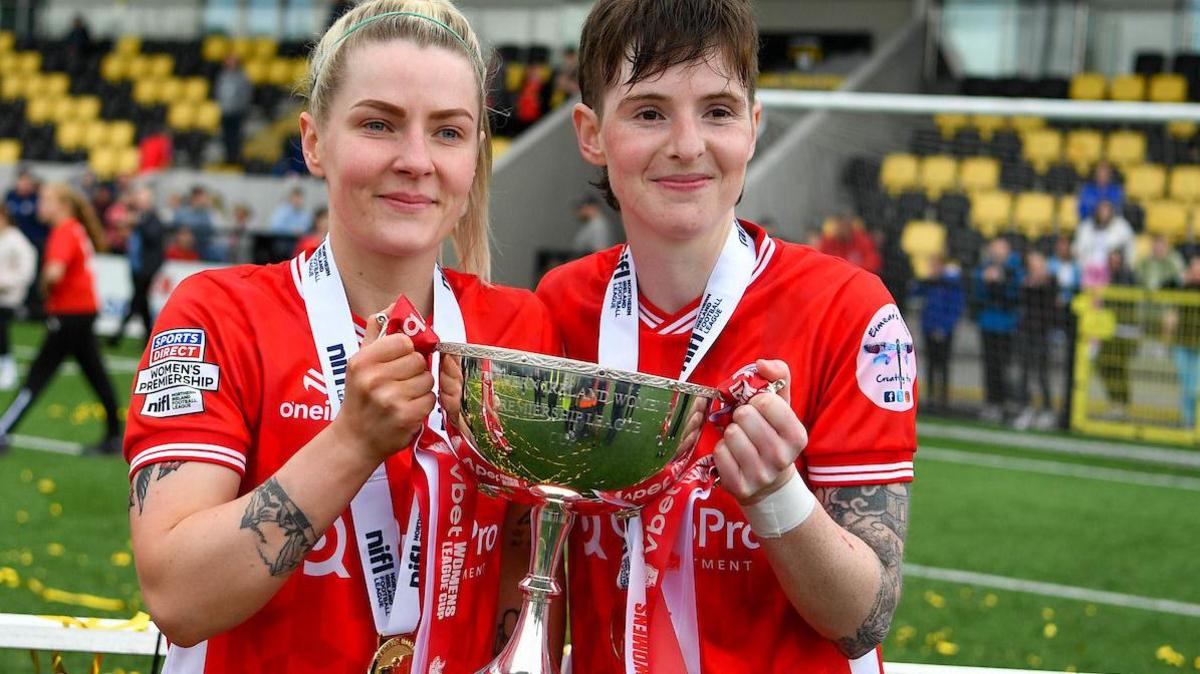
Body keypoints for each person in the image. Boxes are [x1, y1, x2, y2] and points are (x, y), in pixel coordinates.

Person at [123, 3, 558, 673]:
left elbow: (521, 576)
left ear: (473, 160)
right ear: (314, 141)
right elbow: (178, 596)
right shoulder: (217, 314)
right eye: (378, 124)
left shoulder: (516, 329)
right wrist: (352, 441)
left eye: (447, 132)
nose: (415, 160)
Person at [536, 1, 917, 671]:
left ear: (754, 127)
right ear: (591, 133)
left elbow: (866, 616)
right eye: (650, 112)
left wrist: (777, 498)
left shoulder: (848, 308)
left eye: (717, 110)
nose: (688, 143)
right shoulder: (561, 306)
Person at [0, 183, 121, 454]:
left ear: (62, 205)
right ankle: (114, 434)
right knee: (95, 374)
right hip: (81, 312)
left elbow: (54, 272)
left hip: (69, 314)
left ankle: (3, 431)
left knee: (37, 376)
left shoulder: (64, 231)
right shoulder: (74, 228)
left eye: (45, 199)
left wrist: (44, 287)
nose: (40, 205)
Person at [973, 237, 1022, 423]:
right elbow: (978, 293)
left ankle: (1005, 404)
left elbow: (1015, 293)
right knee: (989, 366)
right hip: (988, 323)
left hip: (1006, 325)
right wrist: (986, 280)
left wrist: (1001, 280)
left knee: (1004, 367)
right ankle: (991, 403)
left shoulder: (1014, 269)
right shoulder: (985, 268)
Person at [110, 186, 167, 346]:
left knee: (138, 300)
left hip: (146, 267)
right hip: (137, 266)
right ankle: (148, 336)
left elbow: (152, 237)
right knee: (141, 302)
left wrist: (137, 223)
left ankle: (118, 335)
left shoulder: (152, 219)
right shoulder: (140, 217)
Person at [909, 253, 963, 412]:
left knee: (943, 364)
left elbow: (955, 307)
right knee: (931, 364)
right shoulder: (928, 284)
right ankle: (932, 399)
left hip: (944, 330)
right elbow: (913, 293)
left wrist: (944, 327)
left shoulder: (950, 284)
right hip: (929, 328)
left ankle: (943, 400)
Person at [1013, 251, 1059, 430]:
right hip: (1026, 332)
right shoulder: (1025, 282)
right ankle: (1026, 408)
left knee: (1042, 373)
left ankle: (1047, 410)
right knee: (1024, 372)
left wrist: (1039, 283)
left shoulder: (1050, 281)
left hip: (1043, 333)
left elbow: (1052, 303)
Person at [0, 206, 36, 389]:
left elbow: (26, 269)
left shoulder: (15, 239)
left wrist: (6, 282)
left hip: (8, 297)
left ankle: (7, 367)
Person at [1163, 256, 1200, 427]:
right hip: (1182, 342)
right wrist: (1181, 278)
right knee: (1187, 385)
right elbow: (1162, 287)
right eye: (1194, 267)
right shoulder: (1183, 286)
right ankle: (1188, 422)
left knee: (1195, 387)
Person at [215, 55, 253, 165]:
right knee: (226, 136)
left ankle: (236, 158)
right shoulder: (222, 76)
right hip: (225, 111)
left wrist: (242, 107)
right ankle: (228, 157)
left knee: (236, 136)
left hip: (237, 111)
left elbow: (246, 93)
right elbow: (218, 92)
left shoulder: (242, 77)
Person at [817, 211, 882, 274]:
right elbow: (820, 263)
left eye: (845, 225)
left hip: (858, 280)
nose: (842, 229)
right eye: (840, 225)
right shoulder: (827, 242)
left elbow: (873, 262)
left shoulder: (862, 239)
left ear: (850, 226)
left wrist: (853, 272)